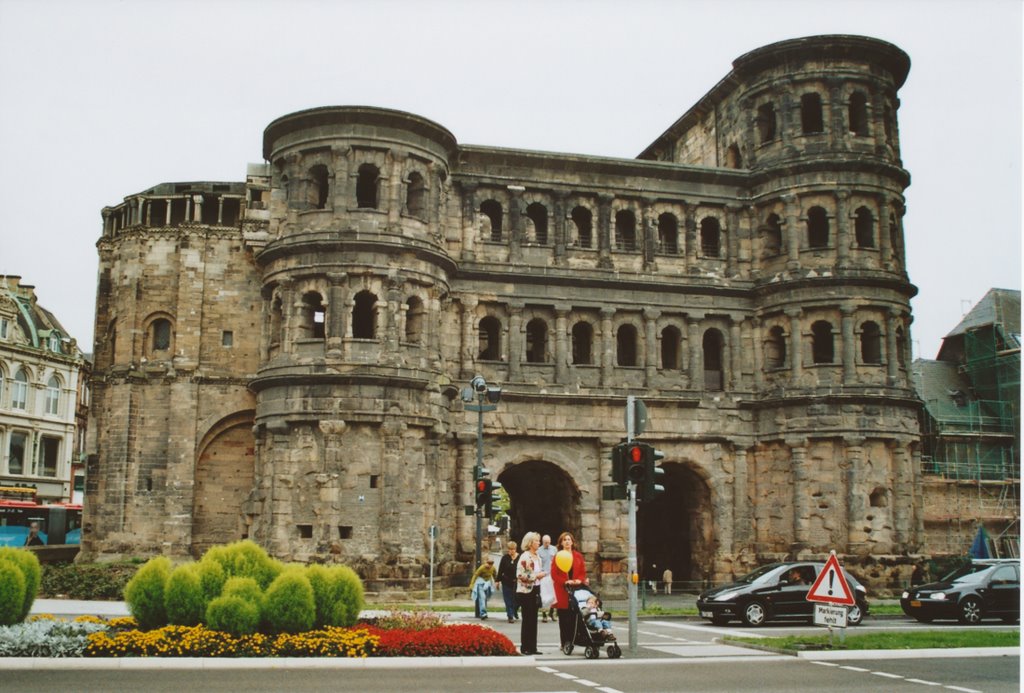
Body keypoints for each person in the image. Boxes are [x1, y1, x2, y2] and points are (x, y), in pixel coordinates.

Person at [551, 531, 587, 650]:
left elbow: (582, 572)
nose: (567, 541)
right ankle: (564, 643)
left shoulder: (578, 556)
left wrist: (579, 580)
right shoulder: (558, 556)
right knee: (564, 618)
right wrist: (565, 581)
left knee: (574, 617)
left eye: (569, 539)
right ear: (561, 543)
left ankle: (573, 640)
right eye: (564, 540)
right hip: (562, 590)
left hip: (576, 590)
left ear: (572, 542)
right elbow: (554, 574)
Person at [516, 531, 546, 655]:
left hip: (536, 590)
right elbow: (520, 574)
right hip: (526, 591)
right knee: (527, 619)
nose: (539, 543)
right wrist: (537, 576)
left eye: (539, 541)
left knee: (534, 619)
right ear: (530, 543)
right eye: (536, 541)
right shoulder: (525, 556)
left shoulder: (538, 557)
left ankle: (533, 646)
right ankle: (525, 647)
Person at [496, 540, 520, 623]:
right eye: (509, 549)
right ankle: (510, 615)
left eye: (513, 549)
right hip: (506, 581)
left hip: (516, 582)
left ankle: (514, 610)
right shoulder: (505, 558)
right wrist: (497, 581)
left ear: (515, 549)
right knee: (507, 599)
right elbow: (500, 570)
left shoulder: (519, 558)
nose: (511, 551)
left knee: (516, 599)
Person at [536, 534, 557, 623]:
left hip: (552, 575)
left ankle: (552, 613)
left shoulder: (554, 549)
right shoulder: (539, 551)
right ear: (542, 542)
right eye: (545, 543)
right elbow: (538, 563)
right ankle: (544, 614)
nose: (547, 544)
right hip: (543, 575)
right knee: (544, 596)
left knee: (553, 595)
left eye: (548, 542)